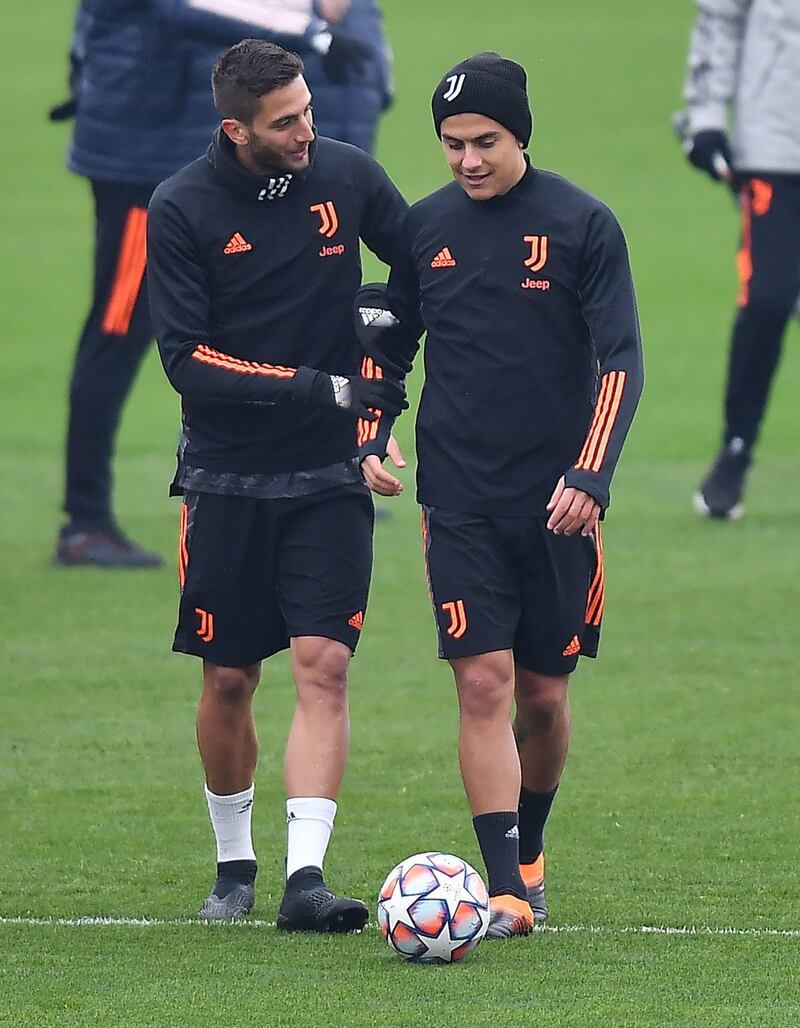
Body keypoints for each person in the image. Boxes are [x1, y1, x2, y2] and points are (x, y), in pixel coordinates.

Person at [355, 52, 643, 938]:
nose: (468, 160)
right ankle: (507, 884)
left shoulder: (583, 224)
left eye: (484, 142)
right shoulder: (425, 229)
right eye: (451, 144)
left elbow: (622, 360)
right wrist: (371, 425)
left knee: (543, 700)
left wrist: (589, 475)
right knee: (482, 683)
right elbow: (388, 339)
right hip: (459, 499)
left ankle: (533, 844)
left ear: (519, 135)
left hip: (559, 502)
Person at [146, 39, 408, 928]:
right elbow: (187, 361)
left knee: (323, 666)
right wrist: (324, 385)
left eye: (308, 110)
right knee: (228, 679)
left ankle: (304, 880)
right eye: (286, 121)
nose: (309, 131)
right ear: (237, 129)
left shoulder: (349, 176)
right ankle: (234, 865)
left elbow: (418, 273)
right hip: (223, 477)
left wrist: (378, 400)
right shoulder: (180, 207)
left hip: (331, 474)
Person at [51, 0, 372, 567]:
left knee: (265, 311)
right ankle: (86, 518)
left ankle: (321, 476)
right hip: (141, 161)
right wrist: (314, 33)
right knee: (120, 324)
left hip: (185, 156)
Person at [678, 0, 800, 519]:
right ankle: (735, 451)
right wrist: (705, 117)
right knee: (767, 301)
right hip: (774, 145)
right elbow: (719, 17)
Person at [305, 0, 394, 154]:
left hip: (361, 106)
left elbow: (377, 49)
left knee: (356, 169)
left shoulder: (364, 5)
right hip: (315, 106)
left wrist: (382, 91)